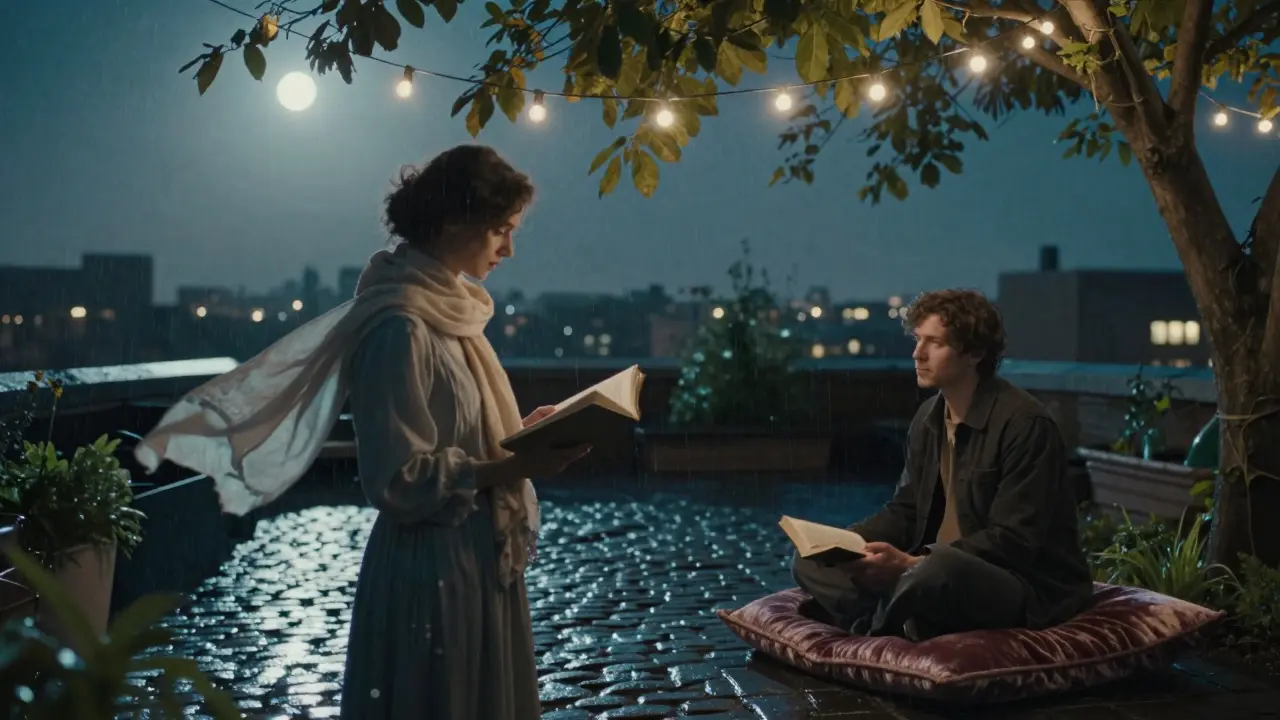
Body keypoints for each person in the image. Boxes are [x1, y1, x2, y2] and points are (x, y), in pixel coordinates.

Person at [132, 144, 589, 719]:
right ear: (453, 222)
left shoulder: (454, 312)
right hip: (435, 572)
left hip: (476, 558)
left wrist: (520, 434)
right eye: (500, 229)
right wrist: (518, 465)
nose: (509, 248)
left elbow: (457, 433)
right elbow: (397, 478)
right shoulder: (399, 326)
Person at [791, 289, 1093, 641]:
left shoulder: (1025, 425)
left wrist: (909, 565)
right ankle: (898, 617)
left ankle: (880, 626)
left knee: (936, 570)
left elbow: (1014, 541)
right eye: (918, 340)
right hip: (928, 569)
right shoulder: (928, 418)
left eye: (934, 343)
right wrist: (846, 543)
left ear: (974, 353)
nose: (917, 353)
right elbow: (905, 509)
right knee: (808, 560)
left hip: (1018, 583)